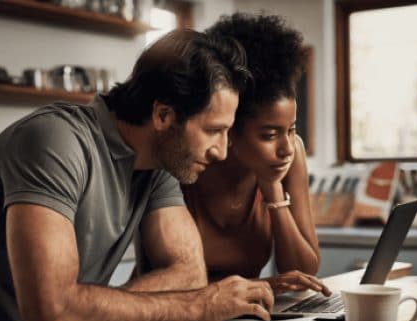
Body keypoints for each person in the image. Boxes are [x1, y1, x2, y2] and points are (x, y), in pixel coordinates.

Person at [0, 29, 274, 321]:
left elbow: (189, 274)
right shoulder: (55, 141)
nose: (221, 152)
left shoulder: (158, 163)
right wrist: (200, 306)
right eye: (213, 131)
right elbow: (54, 313)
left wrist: (90, 311)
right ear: (163, 115)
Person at [138, 14, 331, 297]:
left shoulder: (289, 158)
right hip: (173, 319)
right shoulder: (185, 162)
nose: (286, 148)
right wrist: (262, 286)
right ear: (229, 129)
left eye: (291, 130)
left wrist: (272, 190)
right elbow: (165, 283)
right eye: (268, 135)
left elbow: (304, 272)